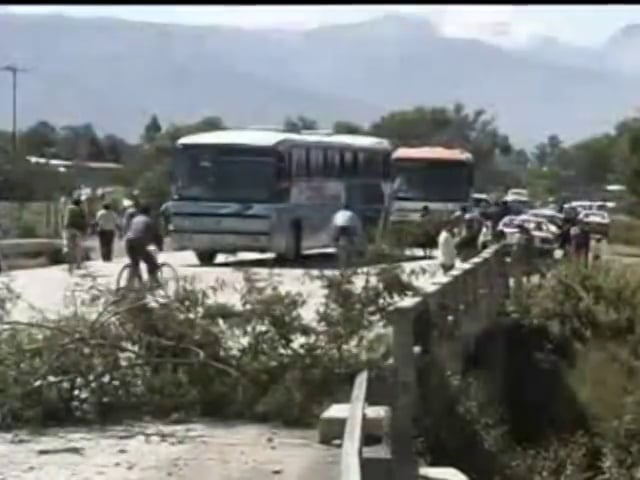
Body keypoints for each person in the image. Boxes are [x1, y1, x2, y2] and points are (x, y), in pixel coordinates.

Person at [124, 204, 162, 286]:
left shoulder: (134, 219)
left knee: (135, 264)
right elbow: (157, 235)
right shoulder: (149, 221)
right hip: (139, 243)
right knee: (152, 263)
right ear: (149, 212)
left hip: (129, 242)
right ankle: (154, 283)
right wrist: (159, 246)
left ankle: (129, 286)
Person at [63, 196, 88, 272]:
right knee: (78, 247)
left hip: (68, 229)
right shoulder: (80, 209)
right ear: (79, 204)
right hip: (78, 230)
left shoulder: (68, 208)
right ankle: (78, 264)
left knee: (69, 246)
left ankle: (69, 264)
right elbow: (84, 219)